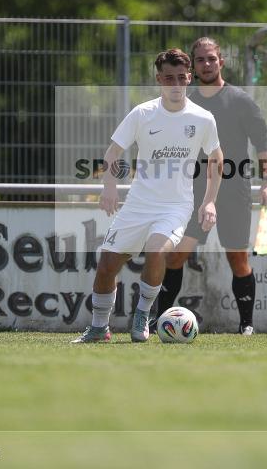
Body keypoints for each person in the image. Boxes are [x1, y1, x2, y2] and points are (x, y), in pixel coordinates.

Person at [73, 48, 223, 343]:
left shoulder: (203, 118)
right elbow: (113, 152)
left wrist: (209, 201)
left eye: (181, 78)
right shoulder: (142, 113)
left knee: (157, 250)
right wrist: (110, 187)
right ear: (159, 79)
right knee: (106, 267)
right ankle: (99, 328)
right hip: (137, 205)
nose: (176, 84)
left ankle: (143, 315)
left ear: (189, 78)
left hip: (175, 207)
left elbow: (217, 159)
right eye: (169, 78)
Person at [154, 37, 267, 336]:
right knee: (176, 255)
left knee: (237, 257)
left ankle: (246, 325)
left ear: (221, 61)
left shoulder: (240, 100)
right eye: (201, 60)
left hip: (234, 192)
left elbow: (263, 144)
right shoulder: (187, 102)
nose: (207, 64)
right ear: (193, 66)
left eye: (212, 59)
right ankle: (159, 320)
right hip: (194, 193)